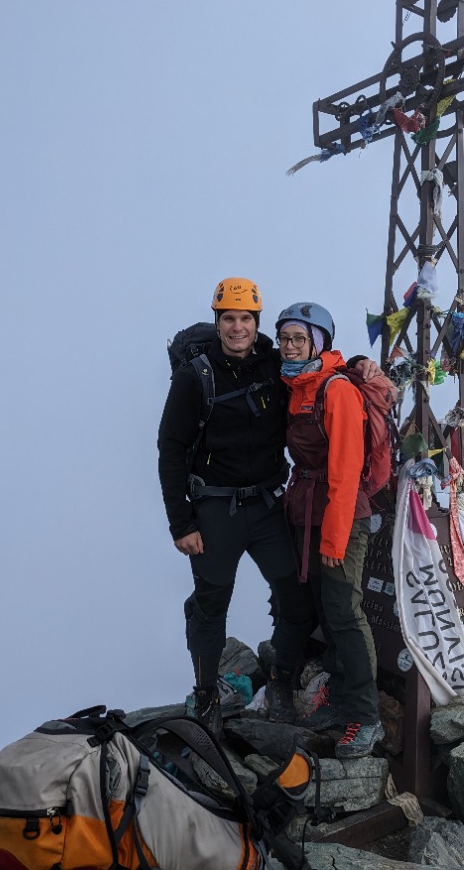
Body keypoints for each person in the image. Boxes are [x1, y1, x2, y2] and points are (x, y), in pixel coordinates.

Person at [157, 278, 379, 736]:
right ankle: (206, 695)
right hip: (215, 509)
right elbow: (170, 450)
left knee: (297, 599)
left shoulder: (274, 362)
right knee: (211, 604)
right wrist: (181, 523)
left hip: (266, 506)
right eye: (228, 318)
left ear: (256, 323)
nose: (237, 327)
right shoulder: (194, 377)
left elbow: (322, 364)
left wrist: (359, 363)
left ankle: (281, 680)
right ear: (217, 321)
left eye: (245, 319)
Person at [277, 302, 384, 759]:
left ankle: (367, 718)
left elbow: (345, 470)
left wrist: (335, 540)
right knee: (327, 612)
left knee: (344, 613)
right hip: (308, 513)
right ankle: (339, 705)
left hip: (341, 517)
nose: (290, 346)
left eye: (300, 338)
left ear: (318, 343)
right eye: (284, 338)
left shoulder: (335, 390)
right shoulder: (296, 386)